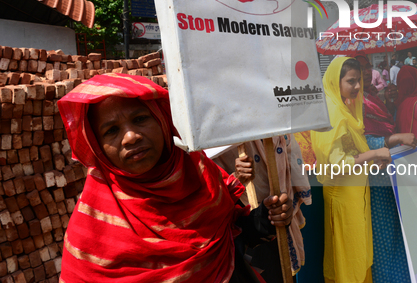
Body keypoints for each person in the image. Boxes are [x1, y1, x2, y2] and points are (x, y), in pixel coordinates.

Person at [57, 73, 293, 283]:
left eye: (140, 119)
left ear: (162, 120)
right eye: (111, 130)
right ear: (98, 146)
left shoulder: (200, 175)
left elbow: (230, 236)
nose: (130, 137)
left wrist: (265, 219)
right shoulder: (91, 227)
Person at [311, 57, 392, 283]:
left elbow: (351, 152)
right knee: (347, 258)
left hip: (355, 196)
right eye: (351, 81)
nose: (357, 86)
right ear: (336, 82)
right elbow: (338, 164)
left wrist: (371, 162)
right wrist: (375, 154)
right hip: (343, 198)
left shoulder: (344, 108)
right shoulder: (331, 113)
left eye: (359, 81)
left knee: (358, 254)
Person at [215, 136, 311, 281]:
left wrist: (282, 206)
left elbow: (290, 154)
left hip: (273, 220)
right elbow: (210, 191)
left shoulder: (278, 129)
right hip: (239, 229)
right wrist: (235, 179)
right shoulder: (216, 138)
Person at [356, 57, 417, 283]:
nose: (364, 73)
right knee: (382, 238)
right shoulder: (350, 104)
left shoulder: (370, 98)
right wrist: (393, 140)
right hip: (372, 179)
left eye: (365, 67)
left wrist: (390, 104)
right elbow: (358, 144)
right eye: (358, 69)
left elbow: (383, 124)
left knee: (397, 232)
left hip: (389, 173)